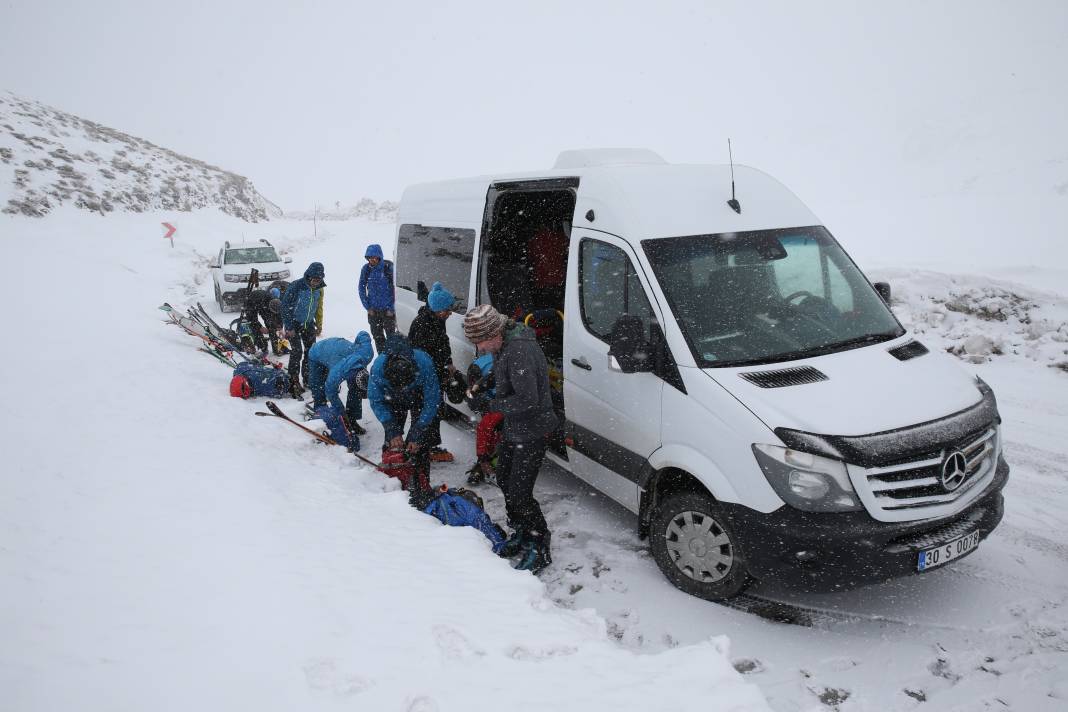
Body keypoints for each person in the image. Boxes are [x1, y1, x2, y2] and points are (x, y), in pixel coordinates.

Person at [462, 304, 557, 573]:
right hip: (515, 427)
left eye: (480, 342)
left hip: (533, 428)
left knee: (520, 492)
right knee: (504, 477)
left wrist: (490, 405)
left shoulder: (520, 350)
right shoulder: (504, 344)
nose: (479, 348)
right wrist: (486, 383)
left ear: (493, 333)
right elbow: (502, 369)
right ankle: (522, 533)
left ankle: (539, 545)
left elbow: (528, 399)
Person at [368, 334, 441, 507]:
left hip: (418, 396)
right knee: (393, 444)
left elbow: (431, 402)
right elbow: (376, 400)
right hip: (391, 399)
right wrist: (391, 428)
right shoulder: (378, 368)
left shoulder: (424, 363)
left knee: (420, 444)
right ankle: (393, 483)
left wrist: (418, 431)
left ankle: (422, 487)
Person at [407, 281, 458, 463]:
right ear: (437, 309)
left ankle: (430, 446)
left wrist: (449, 362)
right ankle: (416, 448)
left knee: (434, 411)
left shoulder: (438, 320)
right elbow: (421, 358)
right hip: (423, 378)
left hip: (435, 374)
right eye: (447, 310)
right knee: (422, 412)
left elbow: (443, 344)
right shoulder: (422, 325)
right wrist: (434, 377)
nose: (450, 313)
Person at [307, 330, 374, 438]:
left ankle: (352, 421)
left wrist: (355, 346)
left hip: (338, 348)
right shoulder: (337, 373)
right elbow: (331, 393)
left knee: (354, 392)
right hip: (317, 353)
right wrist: (342, 414)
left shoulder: (366, 354)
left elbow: (363, 334)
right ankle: (321, 415)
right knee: (318, 387)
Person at [280, 262, 325, 397]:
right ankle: (293, 380)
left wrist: (319, 324)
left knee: (311, 353)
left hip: (308, 323)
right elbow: (285, 306)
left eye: (319, 280)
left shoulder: (319, 289)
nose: (315, 283)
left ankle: (308, 379)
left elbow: (318, 306)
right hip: (294, 323)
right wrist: (289, 327)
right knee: (297, 351)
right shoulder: (297, 286)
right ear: (308, 276)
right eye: (314, 280)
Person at [465, 351, 503, 486]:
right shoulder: (476, 371)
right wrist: (482, 457)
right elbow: (473, 398)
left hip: (505, 400)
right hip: (491, 395)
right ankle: (485, 463)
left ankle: (494, 459)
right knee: (489, 425)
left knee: (496, 425)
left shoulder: (505, 365)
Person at [359, 244, 396, 354]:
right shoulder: (366, 269)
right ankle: (382, 359)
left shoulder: (387, 268)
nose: (372, 260)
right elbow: (361, 288)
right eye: (369, 258)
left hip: (388, 311)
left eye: (374, 257)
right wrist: (367, 306)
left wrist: (392, 308)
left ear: (379, 257)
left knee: (391, 338)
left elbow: (396, 289)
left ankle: (392, 359)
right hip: (373, 311)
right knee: (378, 338)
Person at [240, 287, 283, 355]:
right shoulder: (259, 302)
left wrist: (280, 327)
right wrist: (260, 327)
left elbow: (278, 316)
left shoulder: (277, 303)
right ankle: (263, 347)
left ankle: (276, 348)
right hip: (253, 303)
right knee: (255, 328)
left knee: (271, 325)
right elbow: (252, 318)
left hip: (265, 305)